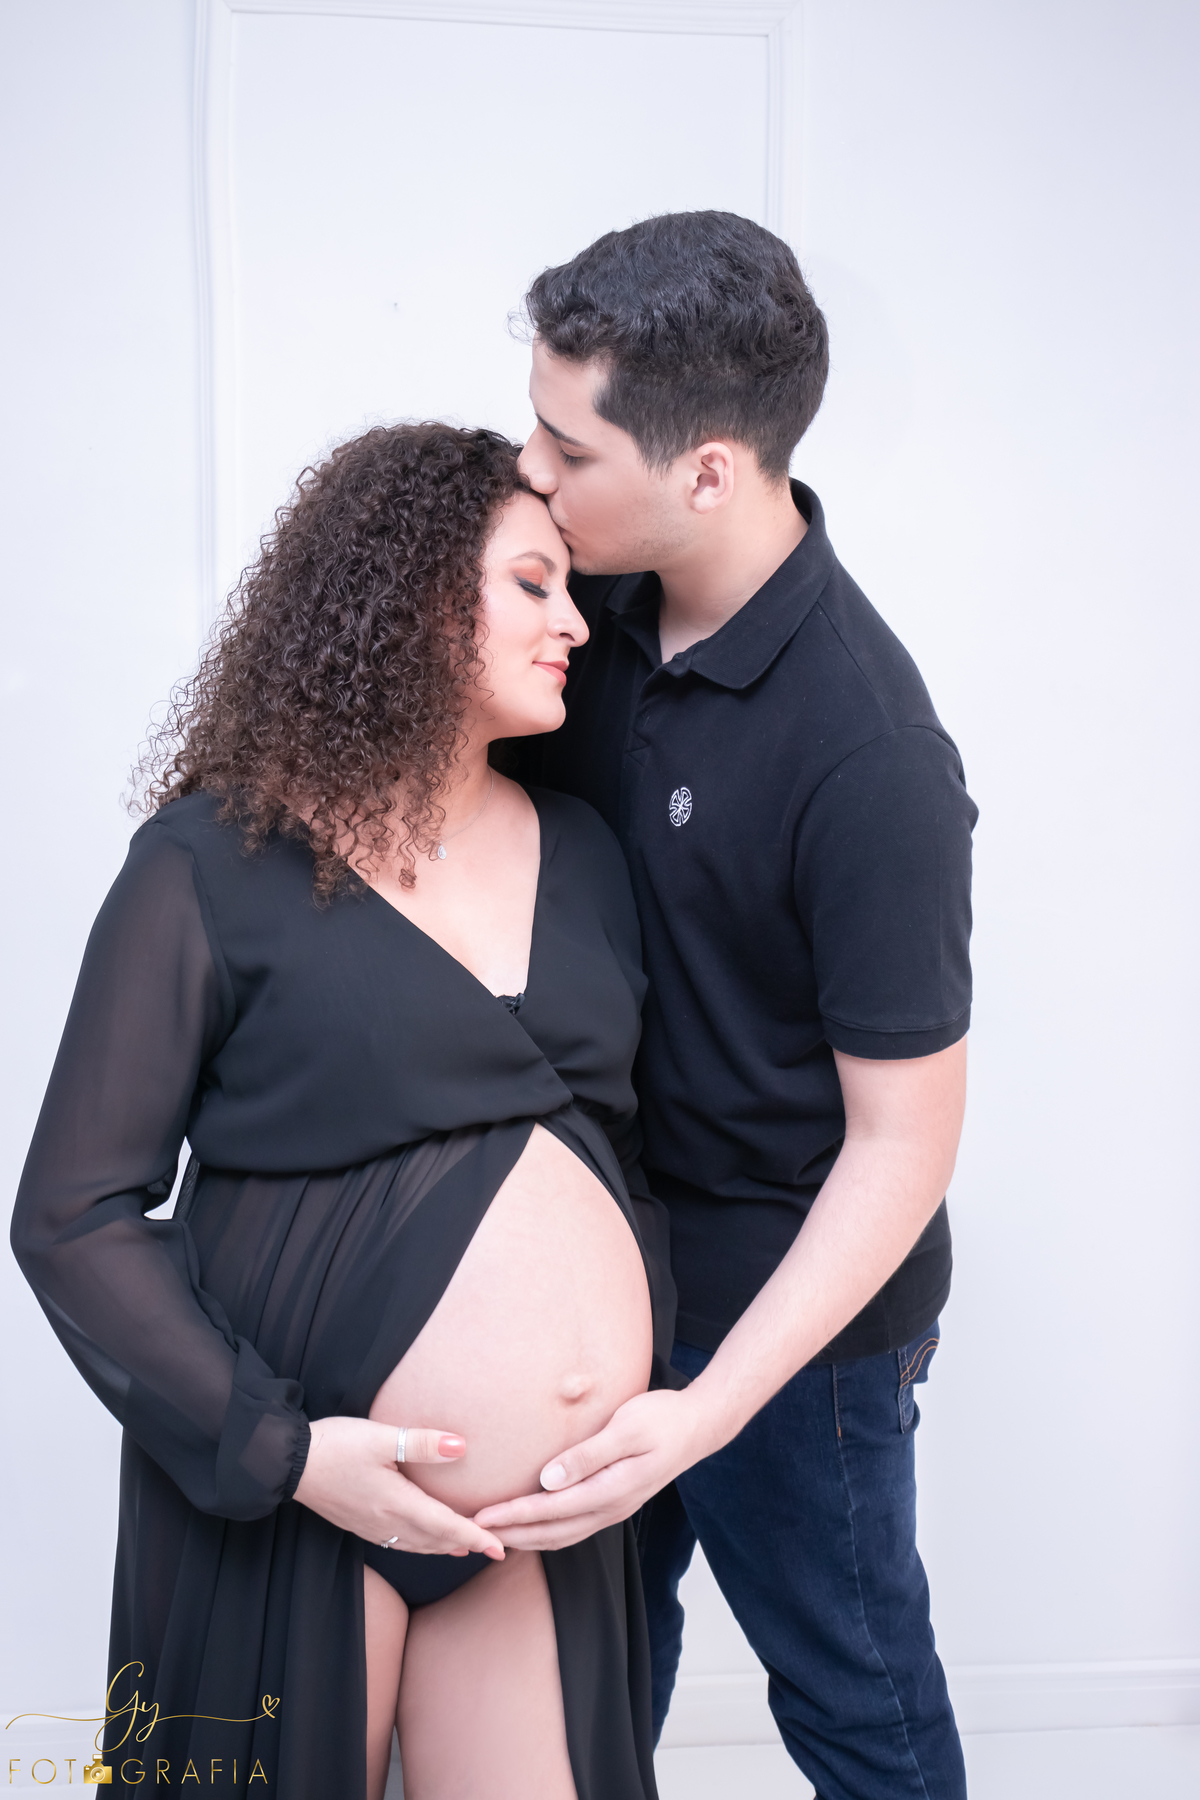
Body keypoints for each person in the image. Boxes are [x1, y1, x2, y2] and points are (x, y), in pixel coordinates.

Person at [11, 423, 679, 1800]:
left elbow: (623, 1149)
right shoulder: (210, 862)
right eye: (536, 584)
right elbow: (72, 1215)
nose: (577, 625)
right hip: (306, 1489)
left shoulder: (588, 852)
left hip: (532, 1522)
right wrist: (289, 1453)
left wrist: (636, 1377)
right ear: (419, 597)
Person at [479, 212, 977, 1800]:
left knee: (857, 1703)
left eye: (566, 445)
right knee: (582, 1689)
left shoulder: (872, 754)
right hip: (601, 1265)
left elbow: (904, 1145)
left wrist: (707, 1410)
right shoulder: (586, 611)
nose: (531, 472)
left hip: (793, 1332)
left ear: (707, 470)